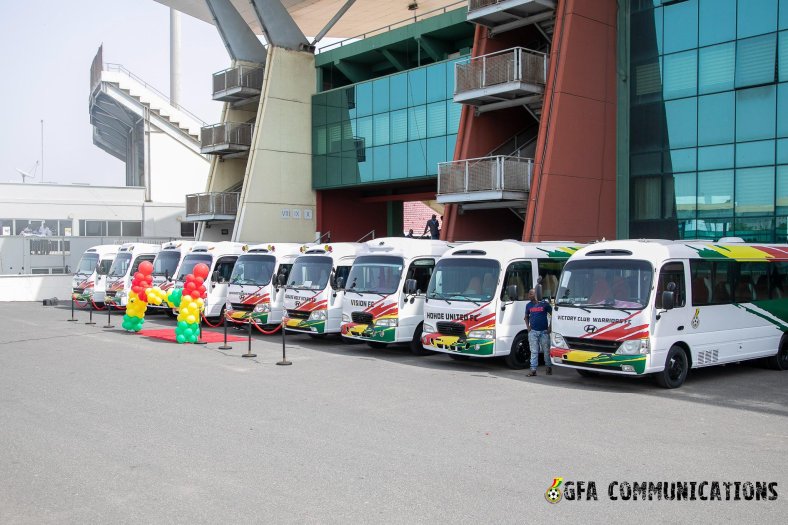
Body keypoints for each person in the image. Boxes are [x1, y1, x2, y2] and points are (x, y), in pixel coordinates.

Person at [525, 288, 552, 376]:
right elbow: (526, 316)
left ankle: (548, 367)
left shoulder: (545, 304)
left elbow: (554, 315)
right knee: (534, 351)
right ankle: (533, 370)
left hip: (544, 332)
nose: (529, 296)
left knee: (546, 351)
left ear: (536, 294)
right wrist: (528, 327)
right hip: (533, 332)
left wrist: (550, 327)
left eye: (530, 294)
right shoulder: (528, 305)